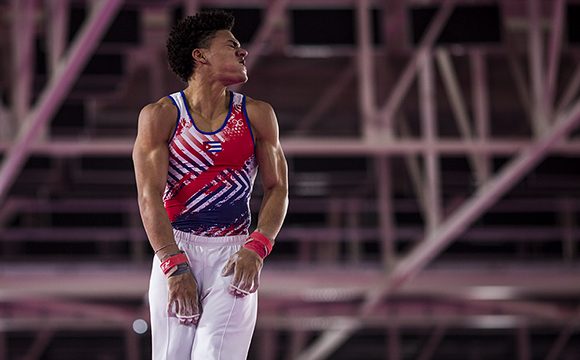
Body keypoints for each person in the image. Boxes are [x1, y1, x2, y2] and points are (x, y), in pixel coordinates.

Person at [132, 10, 288, 359]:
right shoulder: (161, 116)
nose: (243, 52)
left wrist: (257, 247)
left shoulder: (258, 115)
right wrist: (174, 265)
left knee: (214, 355)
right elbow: (148, 197)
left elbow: (278, 188)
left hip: (234, 254)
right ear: (200, 56)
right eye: (231, 45)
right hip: (176, 248)